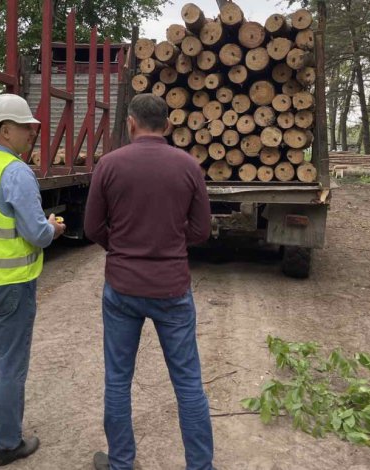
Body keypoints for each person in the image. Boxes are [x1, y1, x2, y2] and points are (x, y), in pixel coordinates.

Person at [85, 93, 214, 470]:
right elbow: (202, 230)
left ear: (131, 123)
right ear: (169, 125)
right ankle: (200, 466)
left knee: (118, 380)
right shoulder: (188, 166)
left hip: (122, 289)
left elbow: (93, 227)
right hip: (172, 288)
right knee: (188, 382)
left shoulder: (108, 165)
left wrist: (123, 249)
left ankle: (121, 462)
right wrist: (170, 244)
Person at [0, 93, 65, 467]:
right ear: (6, 129)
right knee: (11, 361)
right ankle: (7, 443)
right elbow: (36, 234)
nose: (30, 134)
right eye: (25, 128)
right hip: (10, 282)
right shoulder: (16, 172)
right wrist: (53, 227)